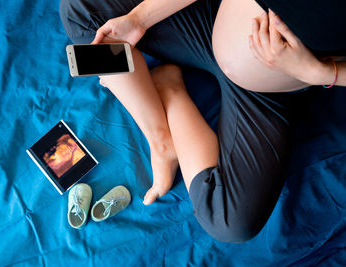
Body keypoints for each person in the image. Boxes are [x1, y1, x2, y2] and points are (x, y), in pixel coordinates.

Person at [60, 0, 346, 242]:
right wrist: (138, 19)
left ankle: (170, 88)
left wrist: (320, 72)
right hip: (210, 19)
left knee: (229, 219)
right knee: (80, 8)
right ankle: (160, 140)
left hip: (271, 89)